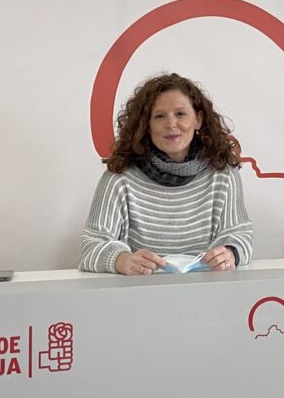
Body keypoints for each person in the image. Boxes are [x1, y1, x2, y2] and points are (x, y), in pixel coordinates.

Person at [79, 73, 253, 275]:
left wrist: (230, 253)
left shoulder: (223, 175)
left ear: (198, 119)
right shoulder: (120, 178)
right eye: (159, 116)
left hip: (207, 294)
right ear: (146, 125)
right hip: (139, 296)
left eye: (180, 114)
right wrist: (121, 260)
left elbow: (240, 235)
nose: (171, 124)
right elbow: (90, 246)